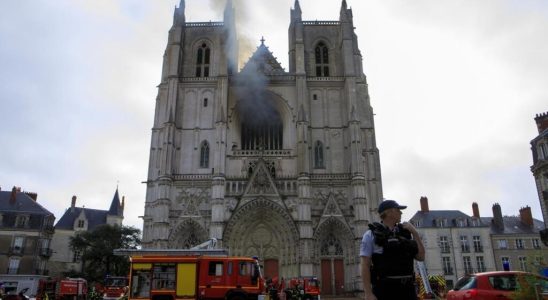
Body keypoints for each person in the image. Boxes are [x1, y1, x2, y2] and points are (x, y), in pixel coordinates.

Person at [360, 200, 425, 300]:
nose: (401, 213)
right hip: (385, 290)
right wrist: (368, 293)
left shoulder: (406, 232)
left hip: (408, 290)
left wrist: (415, 233)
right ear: (389, 212)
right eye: (398, 210)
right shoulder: (371, 235)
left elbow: (421, 257)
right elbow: (365, 265)